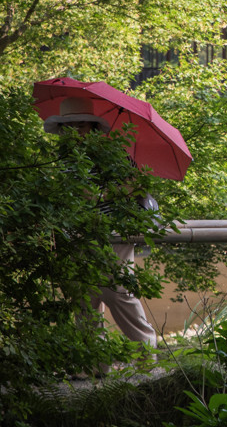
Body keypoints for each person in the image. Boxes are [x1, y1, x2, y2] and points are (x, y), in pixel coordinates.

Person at [44, 97, 159, 349]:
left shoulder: (114, 152)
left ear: (94, 128)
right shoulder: (60, 159)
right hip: (76, 234)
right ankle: (92, 362)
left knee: (116, 291)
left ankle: (146, 351)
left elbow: (137, 185)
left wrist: (100, 195)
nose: (75, 132)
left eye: (81, 126)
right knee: (84, 297)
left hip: (115, 231)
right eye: (69, 127)